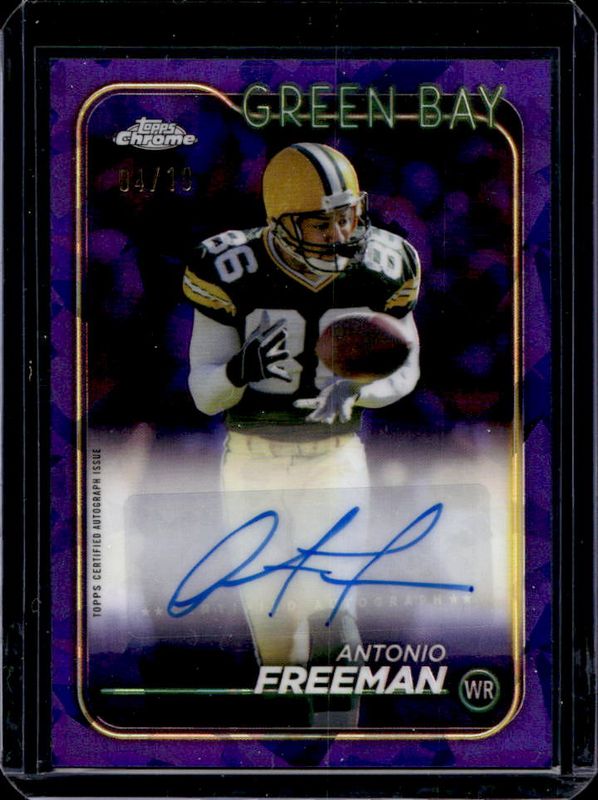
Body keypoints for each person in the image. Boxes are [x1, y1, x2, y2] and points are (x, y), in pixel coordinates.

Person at [183, 142, 421, 726]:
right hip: (251, 459)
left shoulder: (384, 264)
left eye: (348, 216)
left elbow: (407, 367)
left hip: (333, 457)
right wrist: (239, 371)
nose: (341, 234)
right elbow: (203, 393)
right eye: (322, 222)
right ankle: (297, 755)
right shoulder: (230, 267)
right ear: (280, 221)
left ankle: (343, 750)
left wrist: (356, 391)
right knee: (275, 637)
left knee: (331, 607)